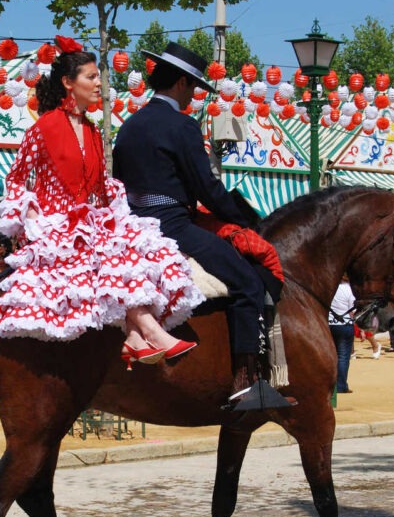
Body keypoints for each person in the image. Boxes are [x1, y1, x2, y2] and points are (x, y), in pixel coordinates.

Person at [0, 37, 203, 372]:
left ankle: (136, 336)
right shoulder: (44, 127)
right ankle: (146, 331)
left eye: (98, 76)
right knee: (111, 254)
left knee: (134, 253)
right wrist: (30, 215)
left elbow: (100, 188)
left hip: (93, 223)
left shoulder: (94, 130)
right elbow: (17, 179)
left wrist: (118, 218)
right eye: (90, 77)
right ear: (68, 83)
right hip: (56, 227)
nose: (99, 82)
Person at [113, 40, 286, 411]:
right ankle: (247, 384)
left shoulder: (128, 127)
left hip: (132, 227)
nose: (192, 94)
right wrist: (247, 219)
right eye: (191, 87)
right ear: (179, 83)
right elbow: (205, 188)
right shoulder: (182, 125)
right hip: (173, 226)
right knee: (247, 282)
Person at [327, 274, 355, 394]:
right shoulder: (349, 289)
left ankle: (330, 383)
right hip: (344, 324)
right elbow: (352, 311)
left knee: (331, 355)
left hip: (329, 324)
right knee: (343, 357)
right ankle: (341, 385)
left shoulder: (331, 287)